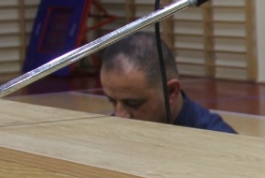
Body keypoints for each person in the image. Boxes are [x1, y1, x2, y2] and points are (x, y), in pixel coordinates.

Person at [97, 32, 236, 133]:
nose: (119, 116)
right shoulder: (112, 133)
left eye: (133, 104)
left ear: (170, 92)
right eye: (112, 101)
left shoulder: (220, 141)